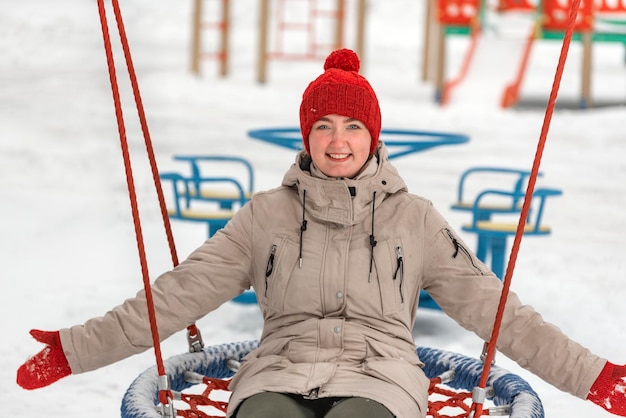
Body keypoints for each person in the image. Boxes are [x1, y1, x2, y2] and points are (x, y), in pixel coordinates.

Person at [16, 48, 626, 418]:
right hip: (277, 372)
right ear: (306, 137)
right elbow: (178, 294)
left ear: (374, 137)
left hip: (382, 378)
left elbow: (502, 315)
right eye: (325, 126)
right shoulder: (265, 218)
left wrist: (595, 377)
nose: (339, 142)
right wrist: (76, 348)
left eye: (354, 126)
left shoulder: (415, 221)